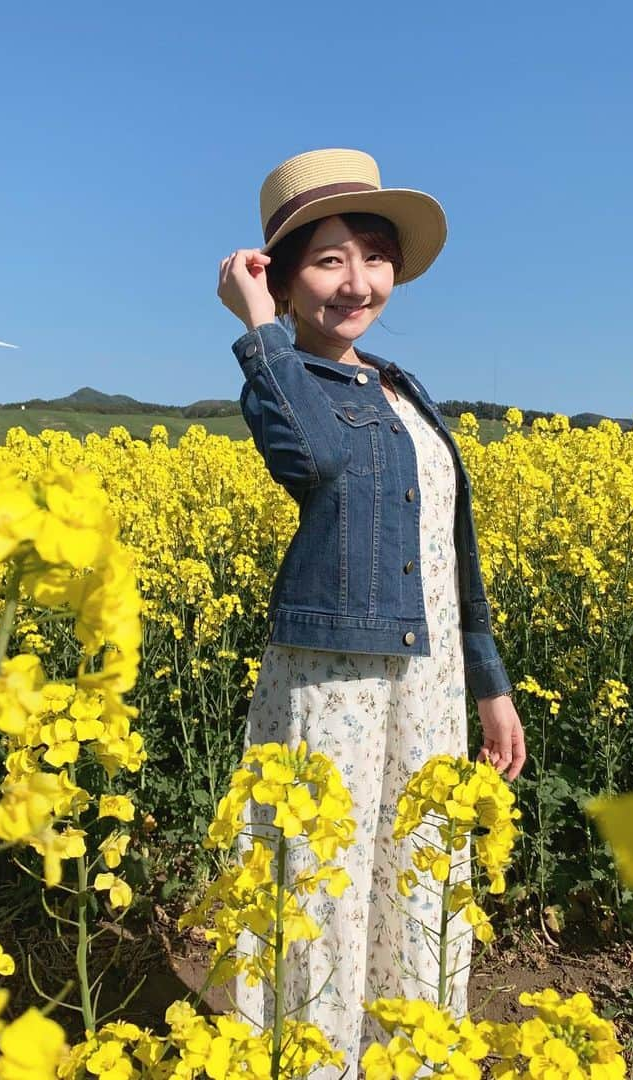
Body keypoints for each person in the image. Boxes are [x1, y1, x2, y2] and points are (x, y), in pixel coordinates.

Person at [217, 147, 526, 1073]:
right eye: (329, 259)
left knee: (417, 873)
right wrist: (260, 322)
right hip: (337, 675)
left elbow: (451, 551)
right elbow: (312, 459)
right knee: (321, 882)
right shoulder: (283, 378)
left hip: (428, 676)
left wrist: (490, 685)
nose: (359, 282)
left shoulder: (403, 389)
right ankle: (310, 1060)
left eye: (375, 255)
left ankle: (406, 1055)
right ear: (280, 271)